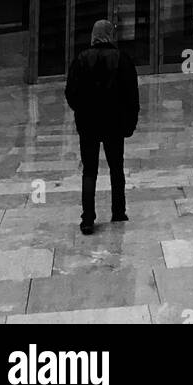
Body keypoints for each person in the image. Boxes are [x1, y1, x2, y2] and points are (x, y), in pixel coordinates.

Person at [65, 19, 140, 235]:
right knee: (116, 168)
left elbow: (71, 93)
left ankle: (88, 218)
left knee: (89, 171)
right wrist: (129, 123)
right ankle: (118, 211)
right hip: (114, 123)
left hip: (88, 124)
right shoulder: (122, 59)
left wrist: (81, 110)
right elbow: (131, 95)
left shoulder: (80, 60)